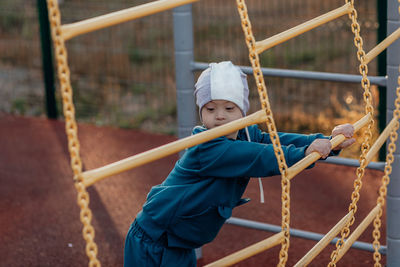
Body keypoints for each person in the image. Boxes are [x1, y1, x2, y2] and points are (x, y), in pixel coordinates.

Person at [123, 61, 355, 267]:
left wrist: (326, 142)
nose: (220, 116)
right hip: (153, 240)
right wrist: (304, 152)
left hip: (179, 243)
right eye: (210, 109)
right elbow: (261, 156)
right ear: (201, 113)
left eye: (229, 108)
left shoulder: (245, 134)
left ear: (242, 111)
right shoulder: (207, 147)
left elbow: (274, 140)